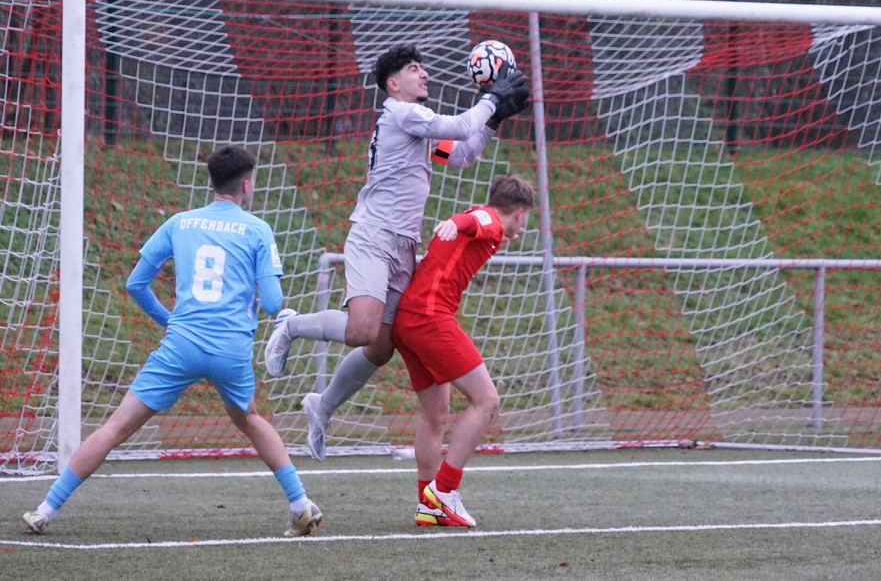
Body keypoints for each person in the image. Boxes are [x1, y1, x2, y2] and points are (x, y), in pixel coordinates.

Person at [22, 145, 323, 538]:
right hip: (231, 351)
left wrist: (171, 321)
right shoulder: (257, 230)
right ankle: (300, 504)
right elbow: (271, 303)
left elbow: (136, 284)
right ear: (247, 185)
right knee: (250, 419)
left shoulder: (180, 223)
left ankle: (45, 510)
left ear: (212, 182)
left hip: (181, 346)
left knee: (115, 428)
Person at [264, 43, 530, 461]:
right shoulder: (402, 114)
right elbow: (461, 126)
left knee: (380, 347)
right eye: (413, 68)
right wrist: (492, 100)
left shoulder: (417, 127)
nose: (424, 74)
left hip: (403, 244)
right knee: (362, 330)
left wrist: (493, 119)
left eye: (422, 67)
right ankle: (291, 325)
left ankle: (323, 406)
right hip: (374, 235)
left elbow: (461, 153)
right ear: (393, 84)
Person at [393, 173, 534, 528]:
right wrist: (454, 224)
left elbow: (474, 223)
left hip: (407, 319)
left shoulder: (486, 220)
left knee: (435, 414)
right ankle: (444, 491)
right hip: (429, 316)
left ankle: (428, 502)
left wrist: (461, 225)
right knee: (487, 402)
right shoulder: (489, 220)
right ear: (519, 213)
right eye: (525, 219)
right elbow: (474, 222)